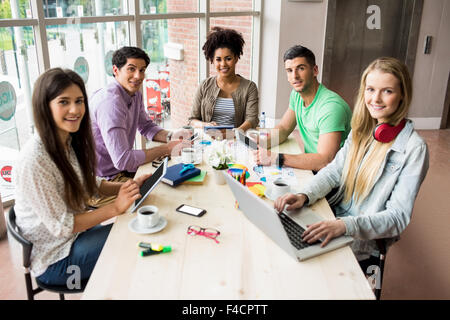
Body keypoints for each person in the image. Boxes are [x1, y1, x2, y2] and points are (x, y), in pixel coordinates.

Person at [274, 57, 429, 272]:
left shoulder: (415, 149)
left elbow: (397, 217)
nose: (376, 99)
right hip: (332, 214)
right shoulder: (361, 130)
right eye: (371, 89)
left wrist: (344, 226)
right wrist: (304, 194)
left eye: (387, 91)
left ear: (403, 95)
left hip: (360, 238)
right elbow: (334, 172)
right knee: (280, 242)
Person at [13, 68, 150, 287]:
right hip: (56, 260)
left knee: (137, 227)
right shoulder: (35, 160)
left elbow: (90, 184)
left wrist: (128, 186)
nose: (75, 109)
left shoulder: (67, 141)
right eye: (64, 102)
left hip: (76, 238)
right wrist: (116, 208)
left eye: (79, 101)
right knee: (135, 236)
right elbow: (62, 226)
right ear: (45, 107)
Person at [90, 46, 189, 183]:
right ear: (115, 70)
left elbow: (146, 127)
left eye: (142, 70)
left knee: (178, 178)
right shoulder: (111, 104)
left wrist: (173, 136)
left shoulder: (135, 94)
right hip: (106, 180)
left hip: (122, 170)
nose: (138, 76)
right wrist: (167, 148)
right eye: (131, 69)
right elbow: (123, 160)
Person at [254, 45, 352, 172]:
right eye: (289, 70)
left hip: (333, 179)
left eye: (301, 68)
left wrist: (275, 157)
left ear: (315, 70)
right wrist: (259, 142)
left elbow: (325, 160)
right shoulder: (296, 95)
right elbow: (284, 129)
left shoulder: (331, 107)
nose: (294, 76)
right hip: (311, 168)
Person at [189, 27, 259, 132]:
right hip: (208, 141)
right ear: (212, 60)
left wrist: (234, 134)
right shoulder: (204, 85)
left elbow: (252, 119)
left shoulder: (249, 87)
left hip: (237, 140)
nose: (223, 64)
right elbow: (192, 120)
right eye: (218, 59)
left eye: (228, 58)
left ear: (236, 58)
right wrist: (205, 125)